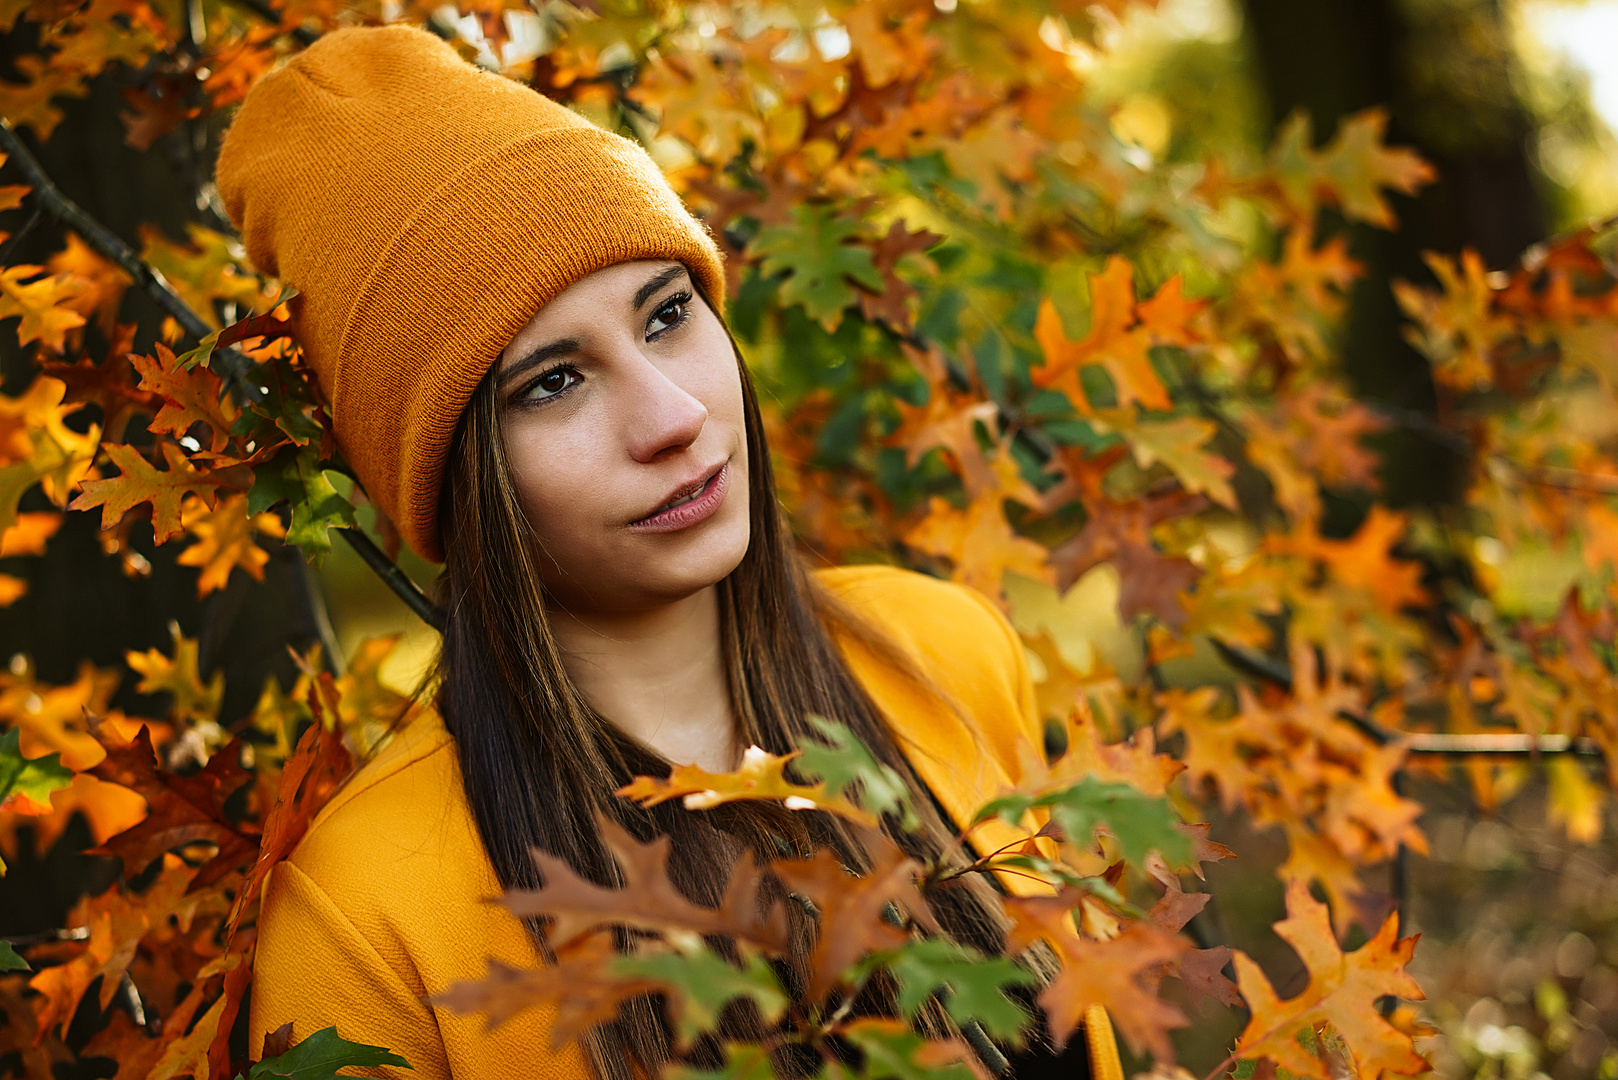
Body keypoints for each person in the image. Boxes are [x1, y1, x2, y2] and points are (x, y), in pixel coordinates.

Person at [216, 23, 1119, 1080]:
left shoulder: (944, 654)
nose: (673, 414)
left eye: (666, 316)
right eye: (552, 381)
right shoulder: (367, 923)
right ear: (452, 480)